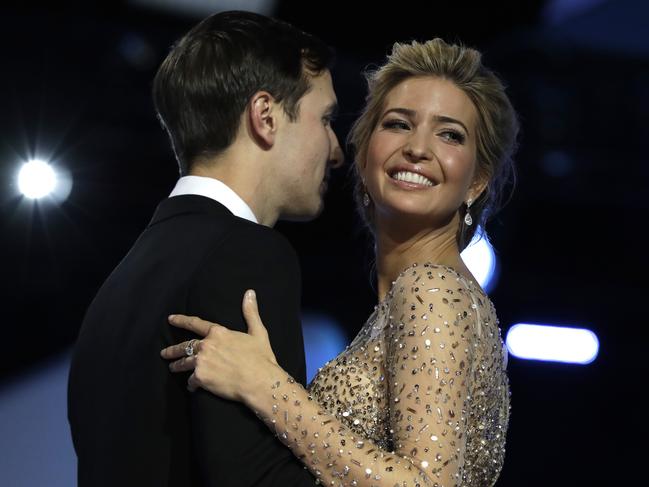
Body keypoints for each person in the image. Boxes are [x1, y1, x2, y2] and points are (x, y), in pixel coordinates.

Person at [161, 38, 519, 486]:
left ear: (476, 183)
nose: (418, 148)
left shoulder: (433, 292)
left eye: (449, 134)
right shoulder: (435, 294)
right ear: (364, 157)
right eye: (398, 124)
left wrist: (263, 385)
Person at [67, 10, 343, 487]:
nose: (336, 148)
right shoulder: (247, 254)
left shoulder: (114, 291)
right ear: (266, 116)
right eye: (326, 119)